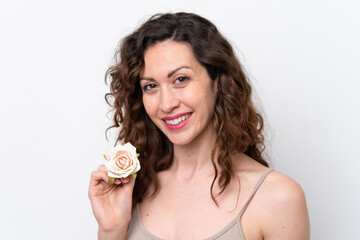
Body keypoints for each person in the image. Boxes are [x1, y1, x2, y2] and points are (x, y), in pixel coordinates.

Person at [88, 12, 310, 240]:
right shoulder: (133, 189)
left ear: (218, 82)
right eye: (151, 86)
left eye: (181, 79)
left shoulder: (277, 197)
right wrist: (111, 230)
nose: (166, 104)